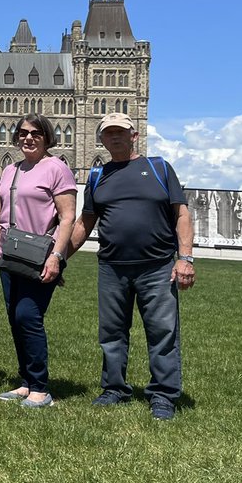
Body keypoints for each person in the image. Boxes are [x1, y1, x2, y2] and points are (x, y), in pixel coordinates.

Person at [68, 113, 195, 420]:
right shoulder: (98, 177)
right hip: (112, 268)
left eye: (120, 132)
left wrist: (185, 258)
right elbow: (85, 223)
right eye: (108, 133)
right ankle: (114, 388)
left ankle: (163, 394)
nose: (115, 137)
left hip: (158, 267)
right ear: (101, 139)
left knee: (163, 332)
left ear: (134, 135)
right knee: (111, 333)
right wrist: (59, 257)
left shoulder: (159, 168)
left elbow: (181, 214)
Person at [0, 114, 77, 409]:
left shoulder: (57, 168)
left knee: (28, 317)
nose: (28, 138)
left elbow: (68, 217)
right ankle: (25, 381)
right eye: (23, 133)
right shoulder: (11, 170)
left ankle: (40, 387)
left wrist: (57, 257)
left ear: (47, 136)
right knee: (15, 319)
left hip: (39, 257)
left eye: (36, 133)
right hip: (10, 255)